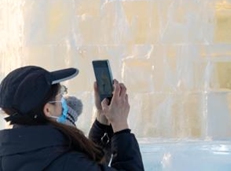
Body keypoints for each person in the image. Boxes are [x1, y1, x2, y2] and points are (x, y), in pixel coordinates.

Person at [0, 65, 144, 170]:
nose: (63, 101)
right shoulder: (65, 162)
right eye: (60, 94)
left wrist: (102, 120)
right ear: (48, 109)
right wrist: (120, 126)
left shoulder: (10, 155)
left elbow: (88, 165)